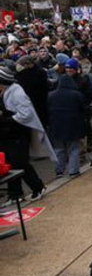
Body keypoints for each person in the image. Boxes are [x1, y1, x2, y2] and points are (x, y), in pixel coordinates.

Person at [0, 66, 52, 200]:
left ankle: (38, 187)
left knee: (20, 163)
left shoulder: (16, 93)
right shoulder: (6, 92)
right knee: (9, 165)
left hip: (17, 134)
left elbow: (26, 114)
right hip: (6, 135)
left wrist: (6, 118)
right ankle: (15, 194)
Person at [47, 74, 86, 177]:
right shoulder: (77, 95)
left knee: (58, 149)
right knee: (74, 148)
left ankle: (59, 170)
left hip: (56, 125)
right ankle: (73, 171)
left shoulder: (51, 95)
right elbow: (83, 109)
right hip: (73, 125)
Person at [14, 55, 49, 129]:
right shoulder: (22, 73)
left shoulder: (40, 72)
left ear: (28, 64)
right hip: (27, 101)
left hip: (38, 102)